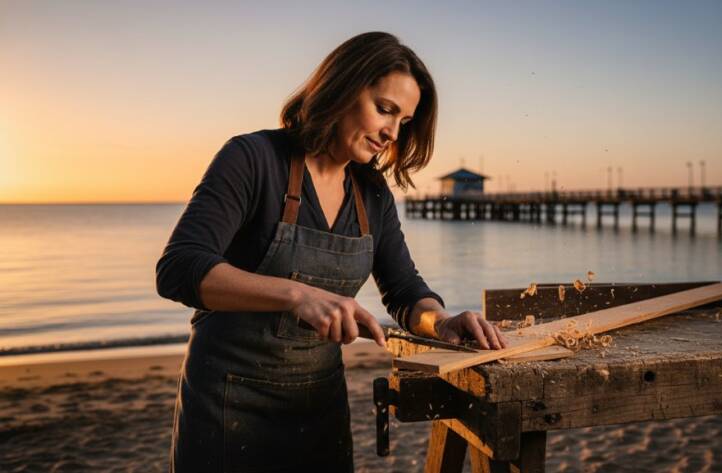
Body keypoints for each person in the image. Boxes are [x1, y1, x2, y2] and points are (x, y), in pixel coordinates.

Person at [156, 31, 507, 472]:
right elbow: (179, 267)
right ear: (341, 87)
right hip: (228, 403)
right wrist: (297, 295)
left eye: (404, 120)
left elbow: (403, 291)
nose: (391, 132)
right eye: (385, 110)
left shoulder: (372, 192)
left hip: (320, 405)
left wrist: (441, 321)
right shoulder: (253, 158)